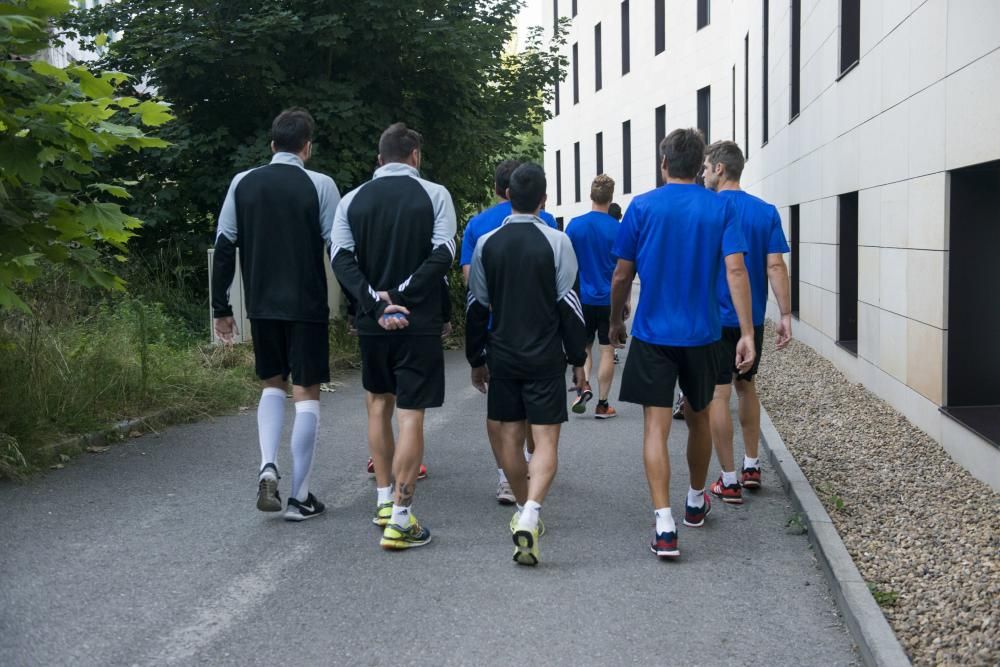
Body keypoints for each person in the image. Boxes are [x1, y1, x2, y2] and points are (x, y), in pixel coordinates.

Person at [609, 128, 755, 559]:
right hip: (705, 333)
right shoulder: (718, 208)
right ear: (700, 167)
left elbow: (621, 274)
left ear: (664, 163)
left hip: (654, 333)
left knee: (655, 427)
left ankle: (664, 524)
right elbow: (736, 271)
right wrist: (746, 332)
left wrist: (617, 320)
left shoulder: (643, 207)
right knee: (699, 418)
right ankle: (694, 500)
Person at [331, 122, 457, 549]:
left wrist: (377, 303)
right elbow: (444, 254)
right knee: (412, 414)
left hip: (372, 322)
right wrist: (402, 295)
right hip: (418, 320)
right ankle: (402, 517)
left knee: (377, 404)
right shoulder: (436, 195)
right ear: (416, 156)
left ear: (380, 158)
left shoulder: (352, 200)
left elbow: (341, 260)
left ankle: (383, 498)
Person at [212, 108, 339, 522]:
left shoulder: (242, 183)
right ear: (307, 147)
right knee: (306, 393)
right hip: (306, 306)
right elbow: (340, 249)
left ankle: (268, 464)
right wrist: (359, 304)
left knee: (272, 385)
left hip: (262, 306)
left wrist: (222, 308)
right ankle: (300, 497)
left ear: (272, 145)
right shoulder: (319, 184)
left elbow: (225, 244)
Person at [466, 163, 587, 566]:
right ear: (543, 200)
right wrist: (578, 359)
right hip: (545, 356)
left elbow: (476, 306)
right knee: (546, 441)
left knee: (509, 440)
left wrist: (475, 357)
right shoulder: (557, 241)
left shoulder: (486, 243)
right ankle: (532, 512)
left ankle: (523, 510)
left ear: (506, 196)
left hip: (502, 355)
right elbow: (569, 305)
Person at [461, 159, 559, 505]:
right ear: (539, 197)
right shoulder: (545, 223)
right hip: (537, 329)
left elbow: (470, 281)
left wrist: (475, 352)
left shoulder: (477, 227)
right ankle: (531, 466)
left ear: (499, 189)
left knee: (501, 414)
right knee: (536, 412)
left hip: (494, 329)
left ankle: (506, 476)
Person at [701, 140, 792, 504]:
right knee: (747, 388)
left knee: (718, 394)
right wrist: (785, 314)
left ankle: (729, 479)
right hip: (751, 319)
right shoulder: (765, 211)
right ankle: (752, 464)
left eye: (707, 167)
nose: (704, 173)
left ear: (720, 169)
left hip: (714, 317)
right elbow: (775, 265)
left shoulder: (708, 210)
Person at [565, 174, 622, 418]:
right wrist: (625, 301)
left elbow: (566, 265)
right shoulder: (618, 229)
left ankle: (583, 386)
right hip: (609, 300)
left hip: (580, 300)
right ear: (611, 198)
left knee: (585, 347)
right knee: (607, 351)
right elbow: (624, 270)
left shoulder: (574, 226)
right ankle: (602, 404)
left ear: (591, 195)